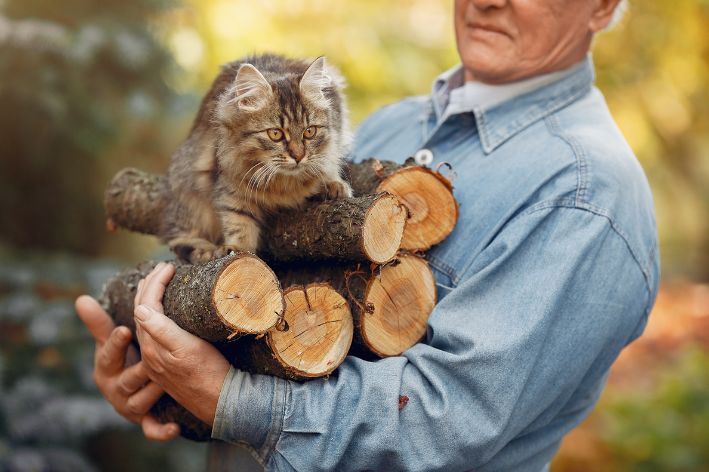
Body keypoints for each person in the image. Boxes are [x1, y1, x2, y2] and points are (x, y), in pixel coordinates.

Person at [75, 0, 660, 470]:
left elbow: (444, 425)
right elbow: (263, 310)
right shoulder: (388, 124)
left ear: (603, 7)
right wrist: (158, 377)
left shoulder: (585, 196)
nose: (488, 1)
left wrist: (230, 400)